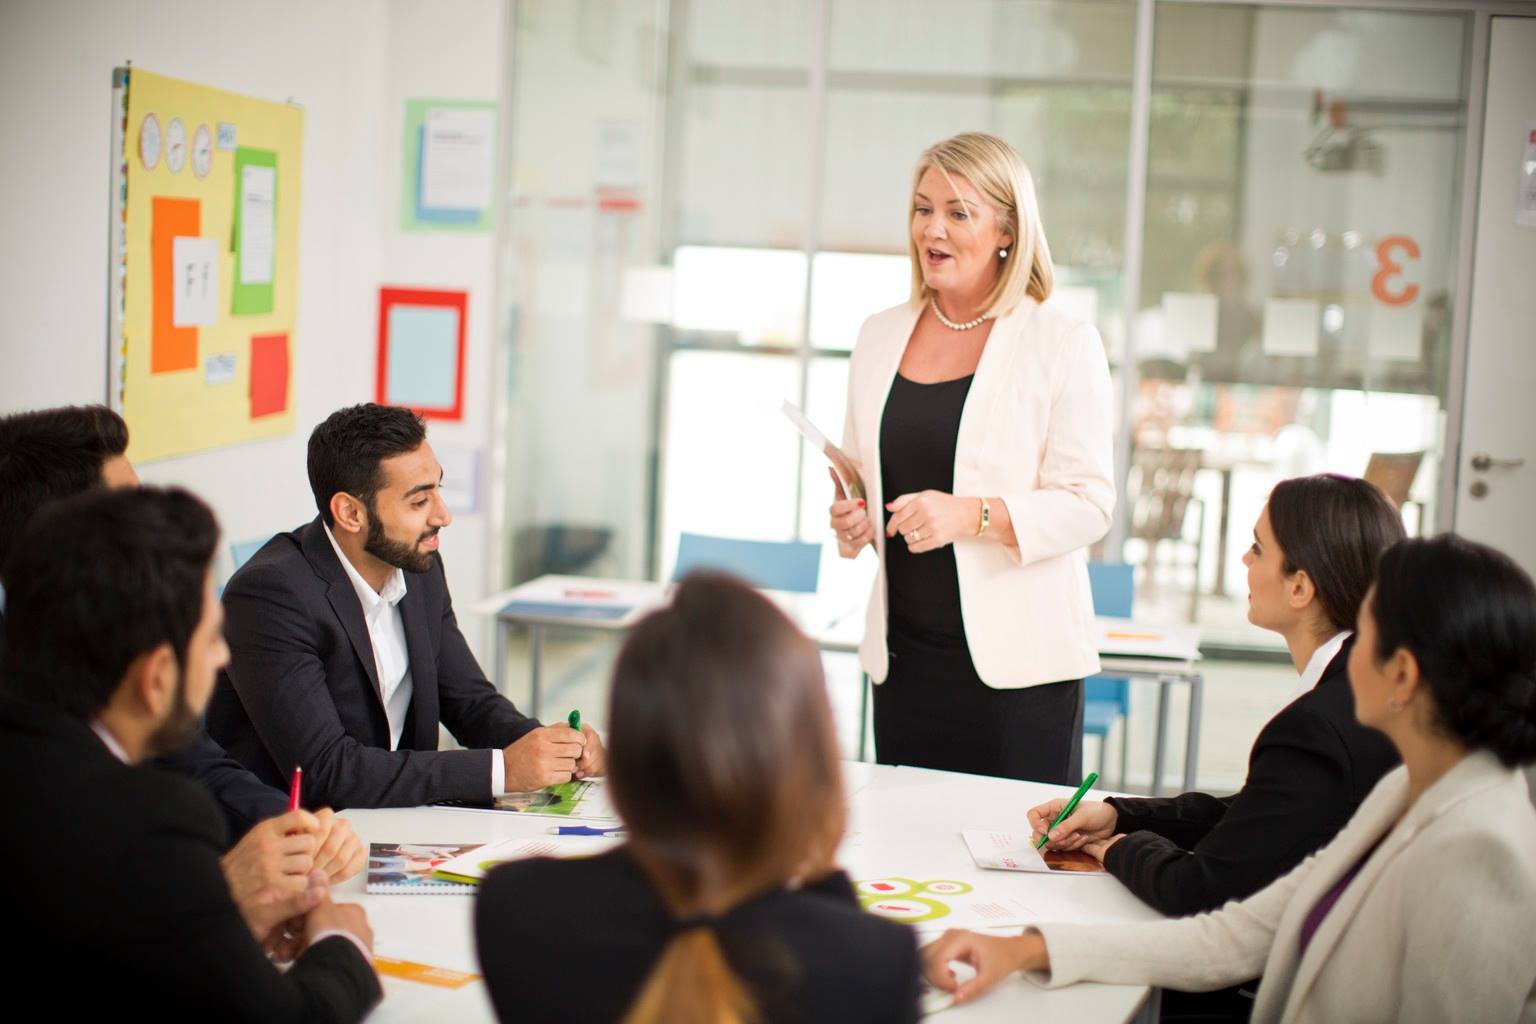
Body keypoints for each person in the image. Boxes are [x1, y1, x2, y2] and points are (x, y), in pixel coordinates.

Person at [923, 534, 1536, 1023]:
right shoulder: (1406, 790)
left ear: (1402, 675)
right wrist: (1026, 949)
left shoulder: (1481, 848)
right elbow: (1240, 935)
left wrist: (1114, 848)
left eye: (1365, 633)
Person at [0, 487, 380, 1020]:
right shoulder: (152, 822)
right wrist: (342, 946)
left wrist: (222, 922)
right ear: (155, 679)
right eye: (210, 641)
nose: (223, 655)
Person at [475, 573, 921, 1023]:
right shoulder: (878, 961)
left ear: (625, 761)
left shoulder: (514, 907)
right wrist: (824, 870)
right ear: (810, 764)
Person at [827, 131, 1114, 784]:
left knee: (1017, 871)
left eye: (959, 212)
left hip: (1021, 674)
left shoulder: (1062, 341)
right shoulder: (878, 335)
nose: (934, 228)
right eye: (923, 208)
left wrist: (972, 516)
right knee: (904, 869)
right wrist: (857, 520)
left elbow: (1090, 504)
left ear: (1008, 230)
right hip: (902, 665)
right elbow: (870, 483)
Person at [0, 405, 363, 917]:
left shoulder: (125, 642)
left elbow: (201, 764)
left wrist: (294, 827)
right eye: (131, 509)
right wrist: (215, 892)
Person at [1028, 476, 1404, 916]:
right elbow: (1254, 812)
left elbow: (1195, 889)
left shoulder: (1318, 727)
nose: (1244, 559)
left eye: (1258, 549)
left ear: (1300, 588)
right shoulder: (1366, 690)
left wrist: (1117, 847)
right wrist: (1119, 814)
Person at [209, 403, 605, 808]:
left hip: (398, 820)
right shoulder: (271, 595)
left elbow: (469, 702)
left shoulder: (417, 569)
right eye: (419, 502)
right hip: (298, 838)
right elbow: (327, 772)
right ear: (350, 513)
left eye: (439, 490)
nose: (444, 516)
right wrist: (502, 770)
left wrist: (554, 750)